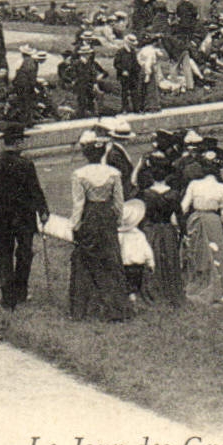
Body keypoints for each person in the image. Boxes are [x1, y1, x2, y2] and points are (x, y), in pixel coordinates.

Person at [0, 122, 49, 310]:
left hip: (0, 217)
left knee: (4, 255)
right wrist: (43, 211)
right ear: (18, 142)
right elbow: (35, 190)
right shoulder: (26, 164)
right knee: (24, 254)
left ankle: (7, 296)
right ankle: (20, 292)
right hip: (23, 218)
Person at [67, 135, 133, 321]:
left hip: (89, 215)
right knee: (110, 259)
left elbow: (78, 204)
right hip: (106, 216)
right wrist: (117, 220)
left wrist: (75, 225)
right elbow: (118, 202)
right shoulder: (113, 173)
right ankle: (115, 307)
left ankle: (84, 308)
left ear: (86, 154)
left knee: (85, 259)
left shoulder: (79, 174)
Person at [180, 146, 223, 306]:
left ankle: (196, 286)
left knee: (196, 254)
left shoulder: (194, 184)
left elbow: (183, 206)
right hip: (213, 220)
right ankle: (217, 290)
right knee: (216, 254)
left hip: (196, 219)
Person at [136, 154, 184, 305]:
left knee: (153, 258)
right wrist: (182, 232)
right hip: (168, 229)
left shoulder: (145, 194)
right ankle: (170, 291)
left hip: (151, 229)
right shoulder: (174, 194)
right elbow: (180, 216)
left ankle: (154, 290)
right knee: (169, 259)